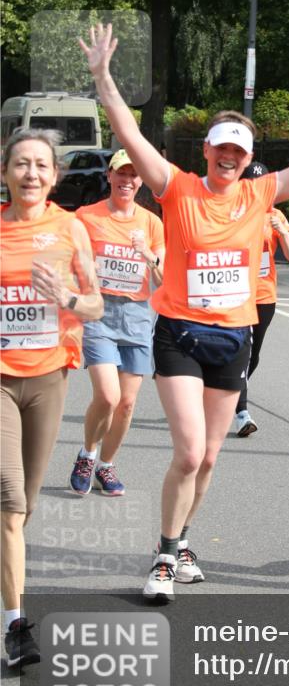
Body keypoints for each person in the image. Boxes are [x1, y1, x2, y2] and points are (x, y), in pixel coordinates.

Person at [78, 23, 289, 601]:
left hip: (235, 338)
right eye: (221, 148)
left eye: (239, 152)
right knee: (187, 451)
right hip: (179, 335)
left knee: (208, 457)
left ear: (248, 158)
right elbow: (130, 132)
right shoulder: (176, 187)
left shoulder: (261, 194)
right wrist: (104, 78)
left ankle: (182, 541)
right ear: (206, 150)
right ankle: (162, 556)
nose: (229, 158)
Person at [1, 129, 103, 667]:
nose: (31, 174)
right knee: (10, 500)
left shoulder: (70, 228)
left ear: (54, 176)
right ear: (5, 173)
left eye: (41, 165)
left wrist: (62, 295)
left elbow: (95, 306)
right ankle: (16, 627)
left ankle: (6, 573)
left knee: (26, 505)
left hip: (48, 376)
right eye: (21, 164)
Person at [68, 149, 165, 497]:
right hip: (100, 313)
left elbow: (165, 277)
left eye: (134, 175)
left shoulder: (152, 223)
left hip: (137, 315)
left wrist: (148, 255)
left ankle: (106, 466)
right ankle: (87, 454)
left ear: (141, 182)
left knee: (126, 403)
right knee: (107, 396)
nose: (127, 181)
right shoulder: (85, 217)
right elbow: (69, 263)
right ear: (110, 176)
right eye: (121, 174)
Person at [233, 162, 289, 437]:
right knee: (242, 352)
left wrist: (282, 232)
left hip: (264, 294)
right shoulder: (232, 213)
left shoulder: (275, 215)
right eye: (251, 184)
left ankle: (226, 393)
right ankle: (241, 412)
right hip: (237, 295)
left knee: (254, 355)